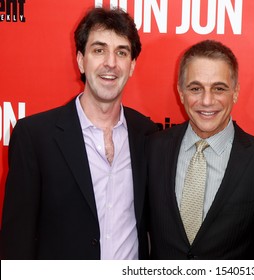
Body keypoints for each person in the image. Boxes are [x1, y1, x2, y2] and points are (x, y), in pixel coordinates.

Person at [0, 7, 158, 259]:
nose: (111, 62)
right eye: (99, 50)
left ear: (132, 66)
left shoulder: (148, 134)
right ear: (81, 60)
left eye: (121, 52)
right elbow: (16, 242)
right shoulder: (35, 136)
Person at [146, 40, 254, 259]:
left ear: (236, 92)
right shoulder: (151, 150)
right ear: (181, 93)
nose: (206, 100)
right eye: (195, 88)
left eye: (219, 88)